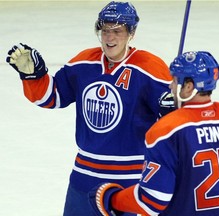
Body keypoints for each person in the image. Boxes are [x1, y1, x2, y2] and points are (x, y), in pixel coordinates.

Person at [6, 1, 173, 216]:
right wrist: (34, 76)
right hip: (84, 175)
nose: (109, 38)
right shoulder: (83, 62)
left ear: (132, 33)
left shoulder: (150, 67)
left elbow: (174, 123)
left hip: (129, 182)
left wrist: (170, 110)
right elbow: (52, 96)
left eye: (117, 31)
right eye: (105, 31)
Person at [89, 51, 219, 216]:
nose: (170, 86)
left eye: (175, 80)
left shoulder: (166, 131)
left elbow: (154, 199)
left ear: (189, 86)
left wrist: (112, 199)